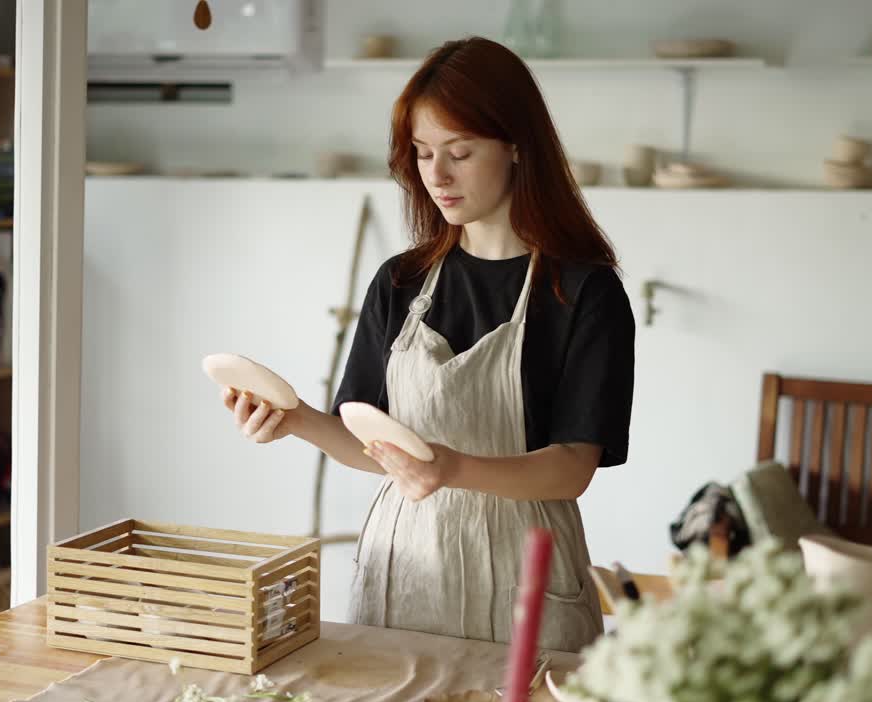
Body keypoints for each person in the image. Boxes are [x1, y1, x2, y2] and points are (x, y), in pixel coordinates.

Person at [223, 36, 635, 653]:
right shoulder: (400, 282)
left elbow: (572, 468)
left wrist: (451, 468)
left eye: (460, 152)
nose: (436, 175)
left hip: (526, 577)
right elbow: (375, 448)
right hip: (404, 567)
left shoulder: (584, 292)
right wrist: (296, 420)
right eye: (421, 154)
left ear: (517, 146)